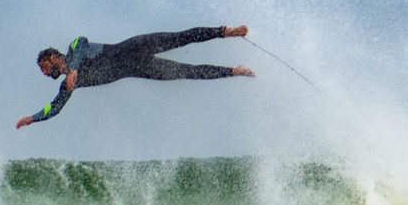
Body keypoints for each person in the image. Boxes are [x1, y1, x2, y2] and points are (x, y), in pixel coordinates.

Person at [16, 25, 255, 129]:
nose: (45, 73)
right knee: (188, 72)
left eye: (44, 66)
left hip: (136, 47)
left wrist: (75, 69)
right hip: (142, 68)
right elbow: (54, 108)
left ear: (54, 57)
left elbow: (82, 45)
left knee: (182, 37)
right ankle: (235, 71)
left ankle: (225, 32)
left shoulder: (75, 46)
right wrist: (33, 118)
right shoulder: (68, 86)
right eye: (42, 71)